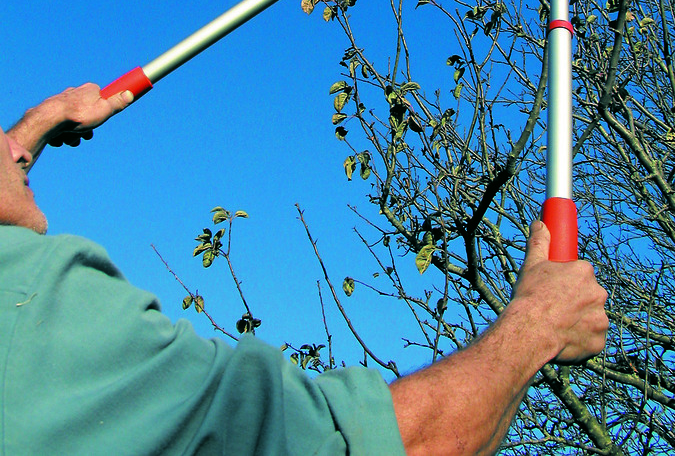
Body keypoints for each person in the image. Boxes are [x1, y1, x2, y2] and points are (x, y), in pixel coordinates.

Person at [1, 83, 608, 456]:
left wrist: (34, 124)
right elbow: (386, 447)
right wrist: (537, 325)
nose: (16, 147)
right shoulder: (35, 298)